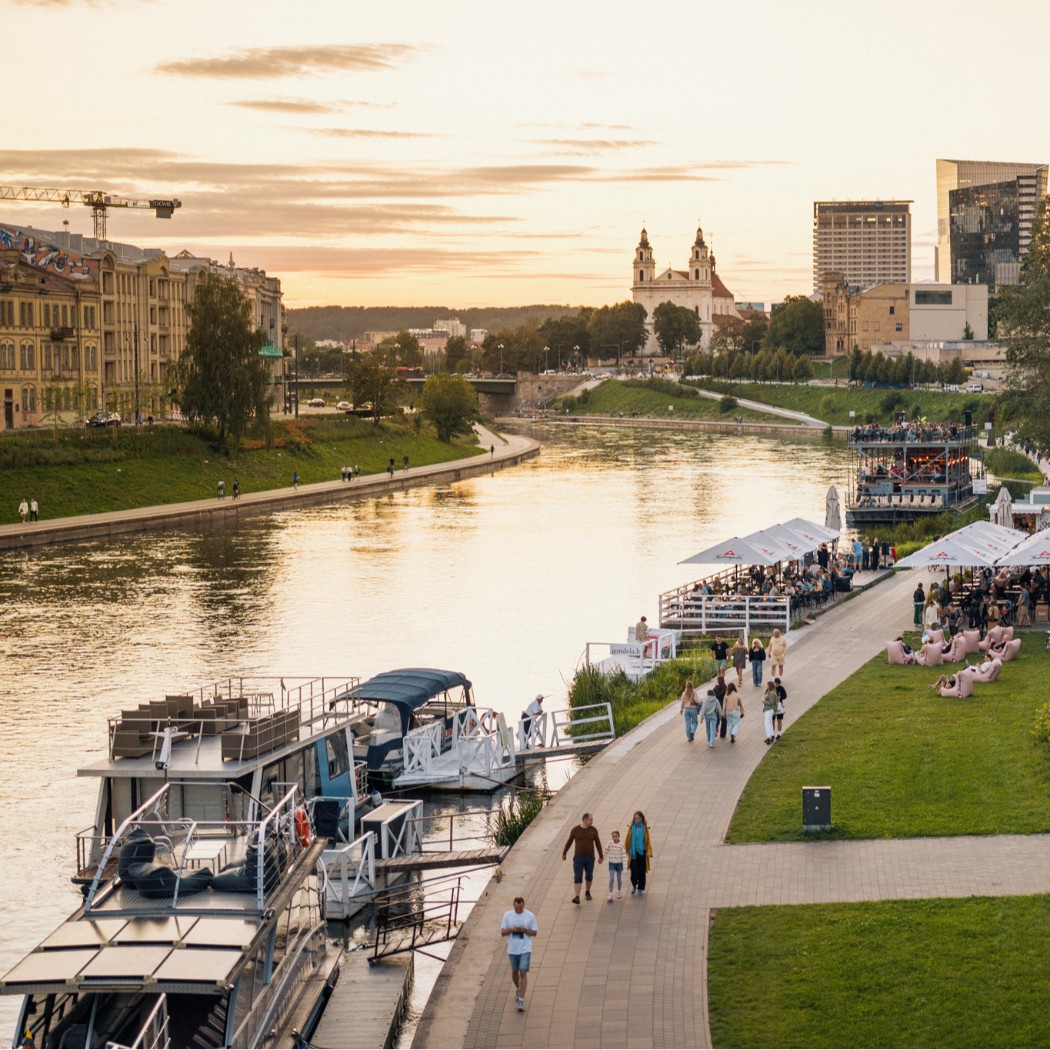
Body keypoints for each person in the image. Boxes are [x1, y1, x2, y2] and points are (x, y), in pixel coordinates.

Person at [500, 896, 538, 1012]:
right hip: (513, 949)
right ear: (513, 905)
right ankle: (517, 988)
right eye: (517, 908)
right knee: (515, 972)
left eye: (520, 908)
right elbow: (502, 933)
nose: (518, 911)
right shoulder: (507, 915)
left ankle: (521, 998)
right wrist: (511, 930)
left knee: (523, 972)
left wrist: (525, 930)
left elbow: (534, 933)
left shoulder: (530, 916)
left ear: (523, 905)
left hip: (525, 949)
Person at [562, 812, 603, 904]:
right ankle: (577, 896)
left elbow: (598, 843)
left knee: (589, 875)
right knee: (577, 876)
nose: (592, 821)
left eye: (592, 820)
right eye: (590, 820)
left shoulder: (593, 830)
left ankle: (587, 891)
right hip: (578, 858)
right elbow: (569, 842)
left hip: (590, 857)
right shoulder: (575, 830)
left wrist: (601, 856)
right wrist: (564, 853)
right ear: (584, 820)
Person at [626, 811, 653, 895]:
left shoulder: (644, 827)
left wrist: (649, 851)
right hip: (633, 852)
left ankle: (640, 888)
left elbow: (648, 840)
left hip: (642, 852)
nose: (636, 819)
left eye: (638, 818)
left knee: (642, 871)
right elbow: (627, 838)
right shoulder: (631, 827)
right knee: (634, 871)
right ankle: (634, 885)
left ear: (641, 818)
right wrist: (627, 850)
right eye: (635, 818)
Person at [605, 829, 626, 901]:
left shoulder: (621, 844)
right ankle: (610, 894)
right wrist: (602, 858)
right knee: (611, 878)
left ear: (619, 836)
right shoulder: (609, 843)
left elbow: (624, 855)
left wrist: (625, 866)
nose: (614, 838)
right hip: (612, 864)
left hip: (619, 864)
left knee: (619, 878)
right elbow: (605, 851)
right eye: (613, 836)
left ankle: (618, 891)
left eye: (616, 836)